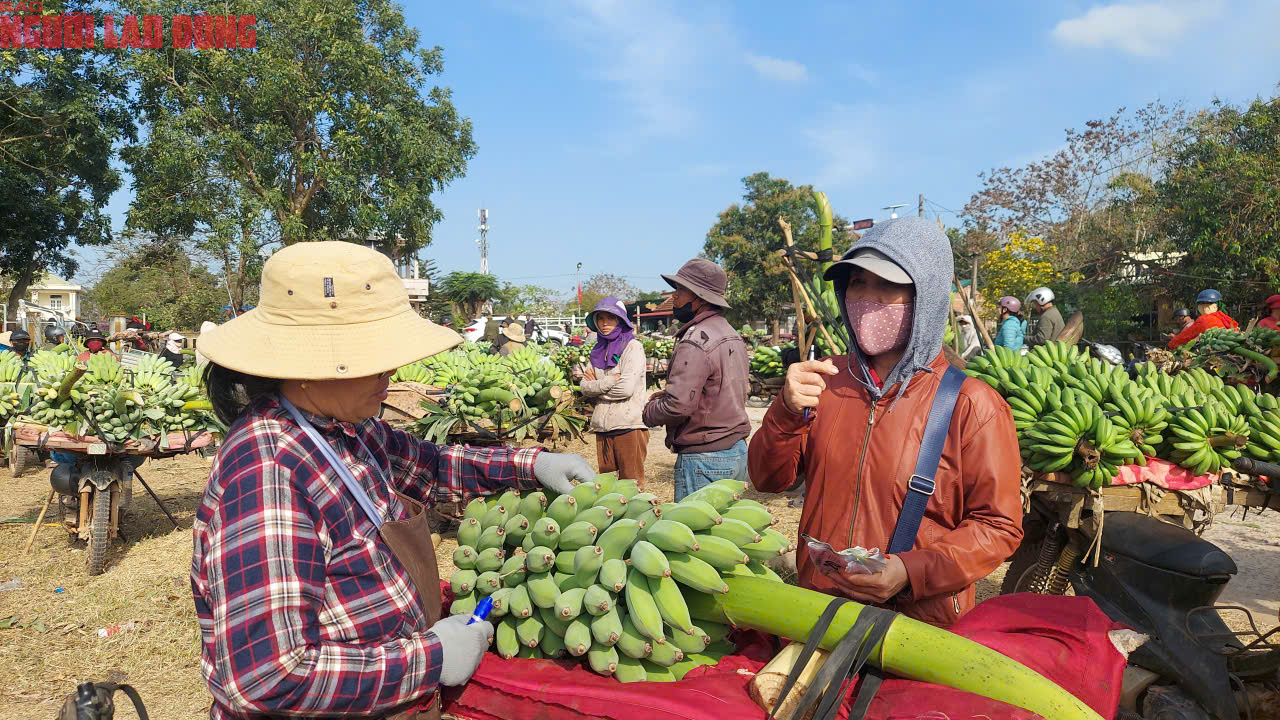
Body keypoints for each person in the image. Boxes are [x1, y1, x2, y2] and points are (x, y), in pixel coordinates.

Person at [192, 242, 595, 719]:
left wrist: (531, 465)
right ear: (306, 366)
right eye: (374, 358)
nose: (391, 372)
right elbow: (269, 677)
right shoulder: (269, 472)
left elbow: (431, 465)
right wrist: (430, 658)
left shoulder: (345, 428)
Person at [748, 217, 1023, 628]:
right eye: (857, 284)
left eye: (886, 286)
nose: (867, 298)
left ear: (924, 296)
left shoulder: (973, 405)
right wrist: (786, 412)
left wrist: (911, 572)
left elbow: (998, 526)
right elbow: (768, 479)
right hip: (818, 607)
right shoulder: (824, 382)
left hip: (915, 626)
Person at [642, 258, 750, 500]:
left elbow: (678, 406)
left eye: (680, 290)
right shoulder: (731, 334)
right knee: (726, 534)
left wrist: (649, 411)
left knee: (695, 536)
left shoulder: (695, 341)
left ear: (699, 298)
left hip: (704, 458)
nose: (675, 297)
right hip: (736, 451)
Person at [580, 297, 648, 487]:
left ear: (620, 320)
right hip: (602, 427)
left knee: (631, 485)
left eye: (610, 318)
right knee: (608, 488)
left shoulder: (633, 347)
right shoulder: (597, 350)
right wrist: (610, 381)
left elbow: (626, 389)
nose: (604, 323)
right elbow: (584, 387)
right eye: (600, 318)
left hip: (628, 425)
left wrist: (597, 388)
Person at [1169, 289, 1239, 349]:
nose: (1203, 307)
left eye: (1203, 304)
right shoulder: (1226, 318)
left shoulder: (1204, 319)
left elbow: (1185, 336)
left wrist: (1171, 344)